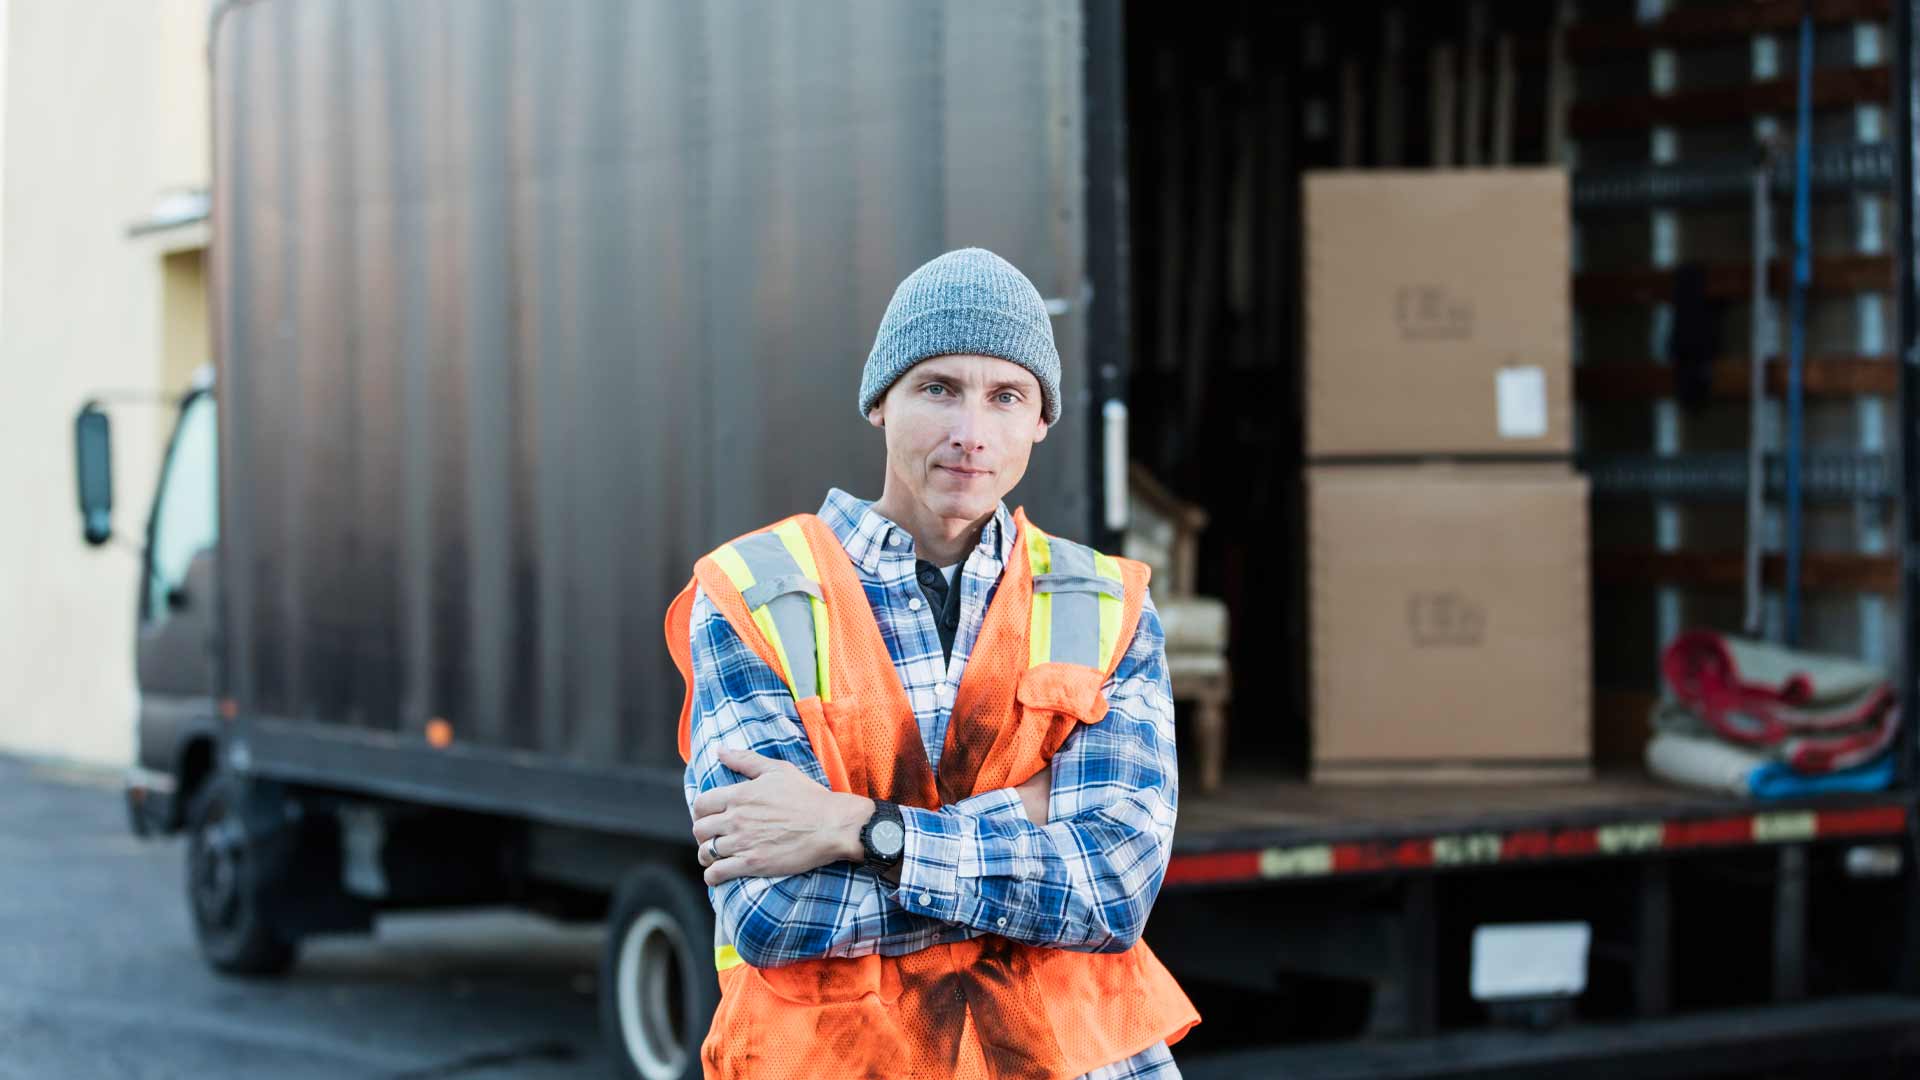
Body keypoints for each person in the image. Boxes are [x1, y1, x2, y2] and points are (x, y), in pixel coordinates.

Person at [664, 247, 1198, 1079]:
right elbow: (774, 910)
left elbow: (1112, 892)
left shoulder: (1103, 603)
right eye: (938, 388)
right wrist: (1027, 822)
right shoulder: (758, 594)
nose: (970, 433)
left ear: (1041, 421)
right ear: (881, 400)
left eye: (1006, 397)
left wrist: (854, 828)